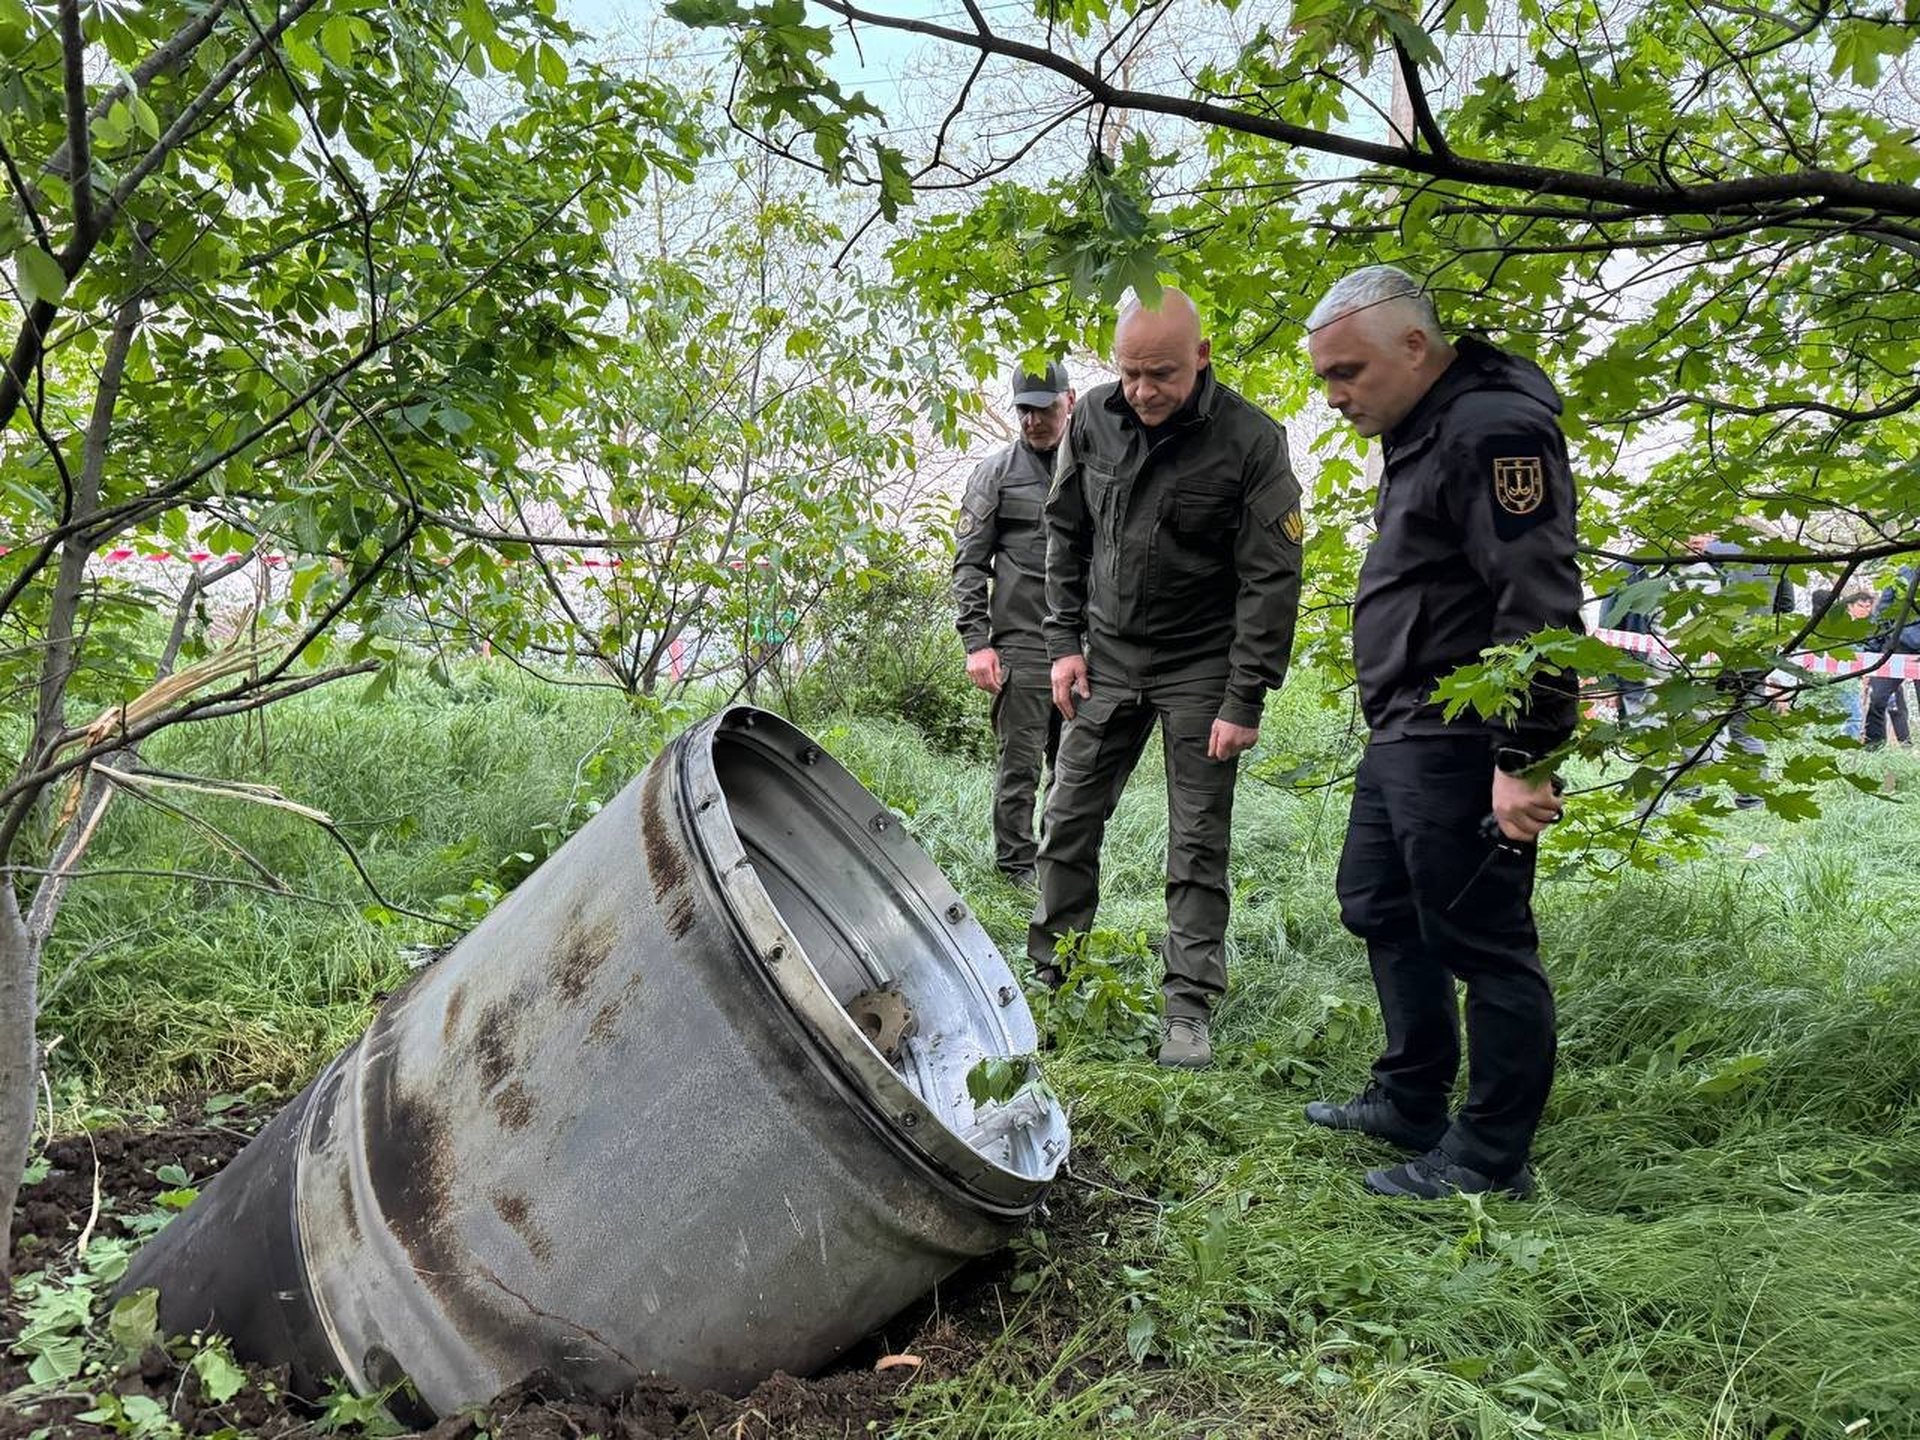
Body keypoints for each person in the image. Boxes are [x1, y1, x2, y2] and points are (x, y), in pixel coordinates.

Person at [1302, 265, 1582, 1201]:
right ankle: (1411, 1097)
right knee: (1377, 901)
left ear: (1414, 346)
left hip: (1467, 736)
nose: (1337, 395)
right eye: (1325, 379)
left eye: (1349, 372)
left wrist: (1524, 756)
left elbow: (1537, 602)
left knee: (1484, 938)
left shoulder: (1493, 428)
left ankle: (1488, 1159)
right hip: (1407, 726)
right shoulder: (1423, 426)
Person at [1029, 288, 1303, 1070]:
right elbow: (1065, 532)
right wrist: (1063, 643)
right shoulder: (1091, 419)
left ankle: (1187, 1007)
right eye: (1131, 373)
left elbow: (1270, 578)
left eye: (1163, 375)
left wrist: (1243, 695)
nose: (1145, 392)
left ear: (1203, 357)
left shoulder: (1251, 441)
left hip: (1201, 668)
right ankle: (1055, 979)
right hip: (1107, 659)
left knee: (1196, 842)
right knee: (1069, 817)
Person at [952, 359, 1076, 886]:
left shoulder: (1093, 469)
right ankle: (1016, 869)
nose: (1033, 421)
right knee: (1019, 766)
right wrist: (977, 643)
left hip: (1083, 648)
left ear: (1068, 402)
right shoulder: (995, 474)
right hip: (1022, 648)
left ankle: (1061, 866)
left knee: (1073, 772)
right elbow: (969, 564)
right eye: (1024, 410)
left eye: (1043, 408)